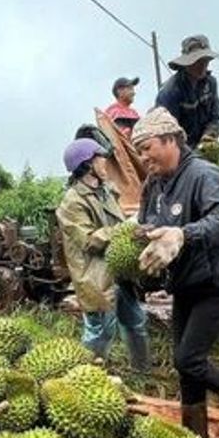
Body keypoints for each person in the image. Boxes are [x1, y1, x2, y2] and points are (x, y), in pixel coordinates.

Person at [131, 107, 219, 438]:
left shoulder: (204, 175)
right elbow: (148, 222)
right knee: (185, 364)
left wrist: (183, 234)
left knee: (188, 359)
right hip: (185, 282)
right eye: (139, 151)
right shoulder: (154, 184)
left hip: (215, 281)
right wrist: (139, 234)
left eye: (146, 148)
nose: (143, 157)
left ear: (170, 140)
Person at [55, 137, 150, 372]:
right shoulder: (71, 202)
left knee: (136, 322)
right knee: (101, 330)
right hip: (95, 275)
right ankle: (86, 376)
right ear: (87, 165)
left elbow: (118, 223)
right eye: (100, 159)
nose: (105, 162)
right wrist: (127, 227)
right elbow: (89, 240)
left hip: (117, 271)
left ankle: (142, 369)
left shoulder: (106, 191)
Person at [155, 34, 219, 149]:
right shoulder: (170, 91)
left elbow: (216, 116)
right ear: (186, 63)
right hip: (179, 150)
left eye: (205, 61)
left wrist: (209, 135)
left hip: (201, 146)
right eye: (197, 61)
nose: (202, 66)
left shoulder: (210, 84)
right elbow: (166, 132)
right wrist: (188, 153)